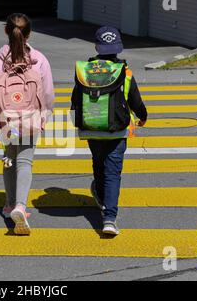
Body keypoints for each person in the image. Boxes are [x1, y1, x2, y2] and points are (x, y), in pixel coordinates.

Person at [0, 13, 55, 235]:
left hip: (5, 119)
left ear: (6, 31)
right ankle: (21, 206)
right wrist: (45, 115)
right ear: (29, 33)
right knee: (25, 160)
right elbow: (48, 92)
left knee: (9, 158)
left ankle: (9, 204)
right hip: (30, 116)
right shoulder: (38, 59)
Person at [71, 26, 148, 236]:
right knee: (113, 172)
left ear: (96, 47)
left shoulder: (84, 70)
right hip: (117, 130)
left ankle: (102, 196)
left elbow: (75, 100)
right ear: (118, 49)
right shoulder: (125, 72)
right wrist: (143, 116)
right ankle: (109, 218)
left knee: (98, 164)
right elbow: (135, 100)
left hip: (91, 129)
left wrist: (76, 123)